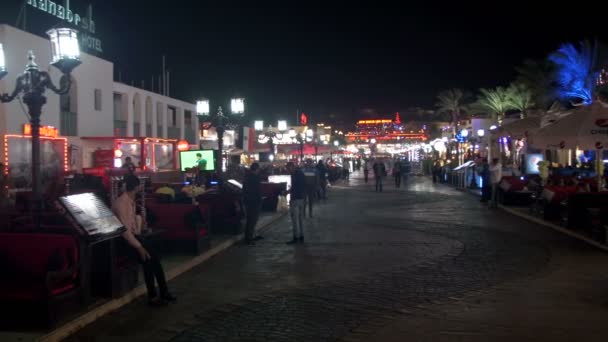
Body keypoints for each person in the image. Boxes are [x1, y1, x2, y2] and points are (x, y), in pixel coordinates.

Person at [113, 174, 176, 306]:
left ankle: (162, 292)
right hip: (125, 242)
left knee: (155, 259)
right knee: (149, 260)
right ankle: (153, 297)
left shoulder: (130, 201)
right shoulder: (121, 203)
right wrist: (139, 247)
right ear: (137, 187)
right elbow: (125, 231)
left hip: (134, 238)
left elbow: (133, 228)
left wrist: (140, 221)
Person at [285, 162, 306, 244]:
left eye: (288, 168)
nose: (288, 170)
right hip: (302, 198)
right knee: (300, 219)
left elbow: (294, 188)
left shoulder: (294, 175)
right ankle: (301, 236)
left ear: (291, 167)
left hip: (295, 199)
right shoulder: (301, 173)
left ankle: (296, 237)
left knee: (295, 219)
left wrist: (287, 192)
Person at [242, 162, 263, 245]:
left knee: (250, 220)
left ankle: (250, 236)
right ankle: (249, 238)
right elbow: (258, 190)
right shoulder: (255, 178)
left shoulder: (247, 177)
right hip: (254, 202)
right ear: (256, 169)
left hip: (249, 201)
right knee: (252, 220)